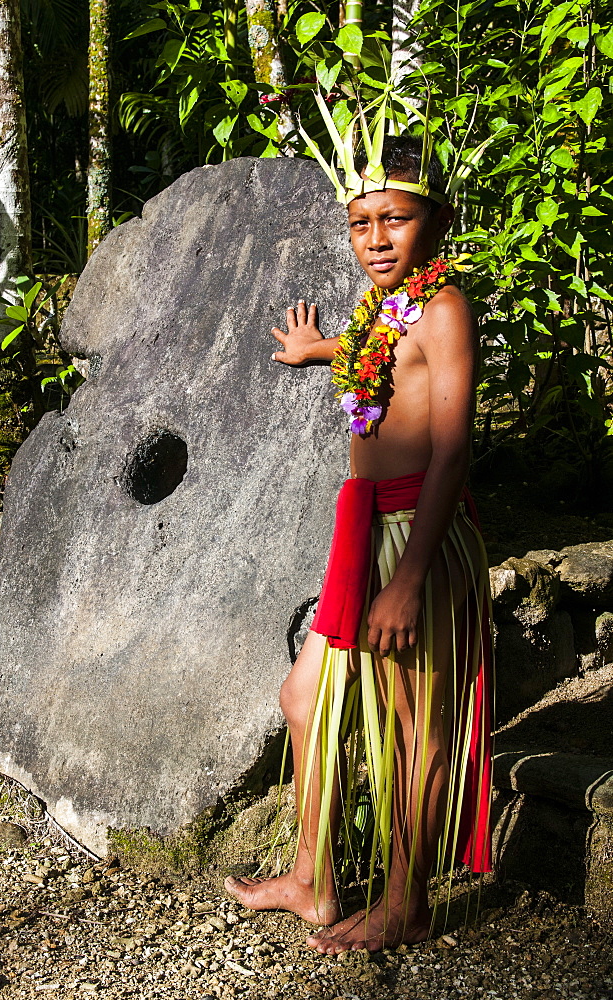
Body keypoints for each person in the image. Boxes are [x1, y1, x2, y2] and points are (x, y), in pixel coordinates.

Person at [224, 129, 493, 954]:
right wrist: (320, 350)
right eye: (360, 222)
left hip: (415, 538)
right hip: (364, 529)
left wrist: (409, 580)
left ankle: (407, 899)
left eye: (394, 220)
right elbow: (385, 356)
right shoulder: (393, 305)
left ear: (434, 224)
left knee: (416, 727)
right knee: (303, 699)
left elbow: (451, 447)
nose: (374, 239)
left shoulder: (444, 306)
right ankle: (313, 880)